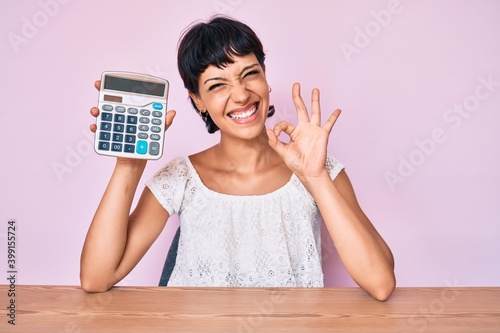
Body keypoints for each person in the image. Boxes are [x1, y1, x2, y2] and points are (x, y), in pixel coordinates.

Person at [80, 16, 395, 301]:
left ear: (265, 75)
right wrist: (128, 164)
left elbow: (380, 283)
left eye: (249, 74)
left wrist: (316, 178)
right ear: (198, 101)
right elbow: (97, 278)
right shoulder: (181, 177)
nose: (242, 95)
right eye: (217, 86)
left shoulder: (317, 168)